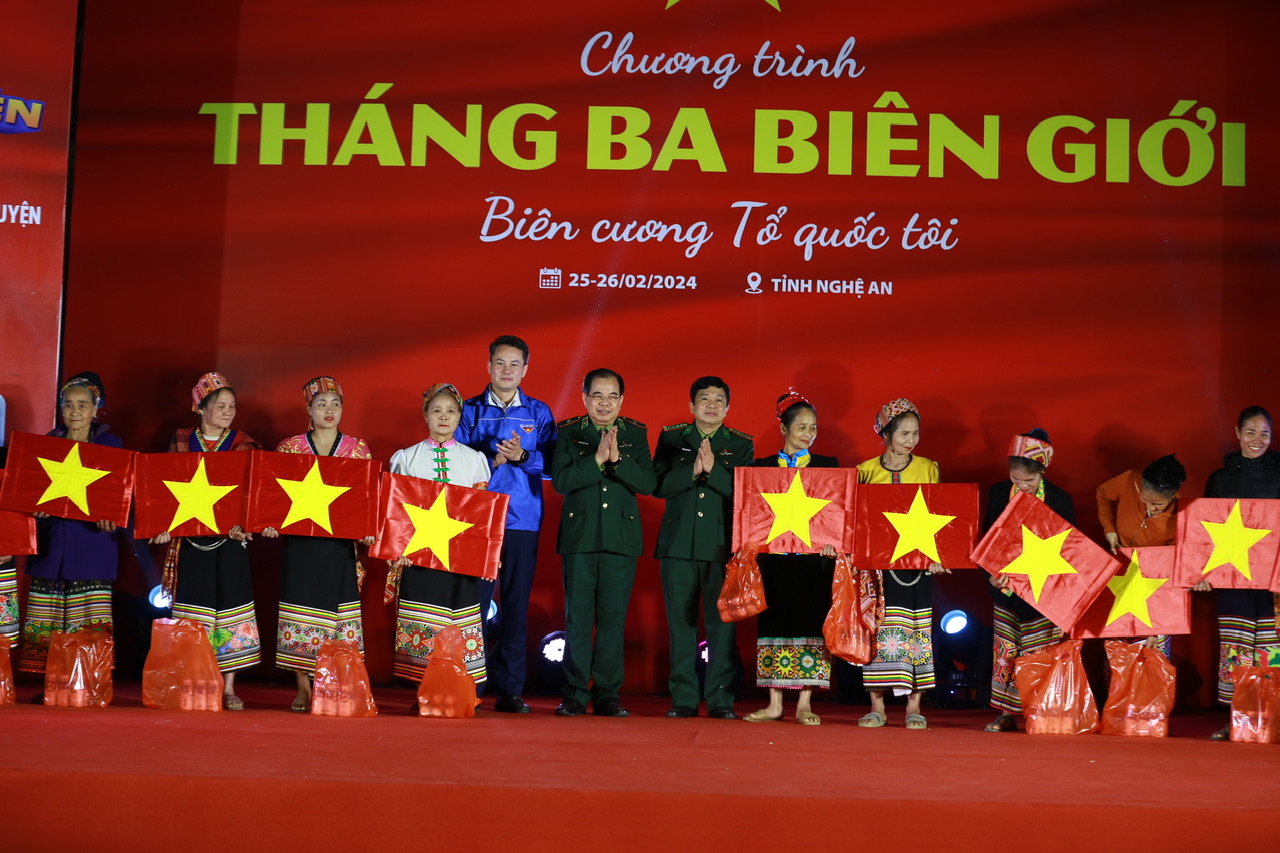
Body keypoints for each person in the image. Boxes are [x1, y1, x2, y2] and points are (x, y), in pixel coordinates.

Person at [457, 335, 557, 714]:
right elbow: (457, 462)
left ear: (525, 369)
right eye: (500, 363)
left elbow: (553, 468)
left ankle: (511, 689)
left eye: (515, 364)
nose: (506, 370)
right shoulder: (468, 411)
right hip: (477, 520)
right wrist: (492, 459)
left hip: (523, 519)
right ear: (488, 366)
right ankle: (469, 685)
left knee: (515, 605)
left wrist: (523, 456)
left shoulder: (538, 412)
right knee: (474, 606)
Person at [262, 376, 373, 712]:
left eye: (335, 403)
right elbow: (275, 495)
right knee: (301, 610)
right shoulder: (290, 448)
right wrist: (270, 523)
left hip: (340, 546)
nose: (329, 410)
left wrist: (367, 529)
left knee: (337, 615)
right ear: (308, 409)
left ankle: (336, 685)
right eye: (321, 404)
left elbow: (368, 498)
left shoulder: (357, 448)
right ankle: (302, 687)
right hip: (301, 545)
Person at [153, 372, 263, 710]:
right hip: (191, 541)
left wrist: (247, 524)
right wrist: (164, 526)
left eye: (232, 406)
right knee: (193, 609)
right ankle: (193, 682)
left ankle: (228, 688)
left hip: (230, 541)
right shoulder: (181, 440)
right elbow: (164, 487)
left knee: (232, 610)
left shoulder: (244, 443)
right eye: (220, 405)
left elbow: (254, 491)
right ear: (200, 408)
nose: (228, 411)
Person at [551, 368, 655, 718]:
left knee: (612, 620)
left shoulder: (635, 434)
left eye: (612, 396)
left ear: (621, 400)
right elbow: (560, 481)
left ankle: (608, 693)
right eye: (597, 395)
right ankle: (575, 693)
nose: (605, 403)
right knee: (577, 620)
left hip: (621, 539)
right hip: (579, 537)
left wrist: (618, 461)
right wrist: (595, 461)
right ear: (585, 398)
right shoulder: (569, 432)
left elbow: (648, 484)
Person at [652, 376, 753, 720]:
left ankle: (721, 700)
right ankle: (683, 698)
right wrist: (693, 472)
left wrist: (713, 471)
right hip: (677, 545)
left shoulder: (740, 444)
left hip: (721, 546)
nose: (712, 405)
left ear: (727, 408)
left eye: (719, 400)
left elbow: (746, 494)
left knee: (721, 627)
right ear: (691, 405)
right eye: (705, 399)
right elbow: (657, 485)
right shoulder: (672, 438)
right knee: (681, 627)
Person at [388, 383, 492, 696]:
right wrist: (397, 549)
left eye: (450, 411)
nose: (443, 417)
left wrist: (488, 554)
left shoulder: (474, 460)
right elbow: (395, 511)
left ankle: (457, 692)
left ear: (460, 416)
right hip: (418, 555)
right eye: (436, 411)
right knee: (423, 618)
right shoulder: (406, 458)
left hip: (461, 558)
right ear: (425, 415)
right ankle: (423, 692)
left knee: (457, 619)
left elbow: (482, 515)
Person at [18, 372, 122, 676]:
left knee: (88, 616)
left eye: (82, 405)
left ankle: (88, 683)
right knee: (48, 616)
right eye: (68, 405)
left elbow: (122, 496)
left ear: (95, 408)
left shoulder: (111, 446)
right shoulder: (47, 445)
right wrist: (35, 510)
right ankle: (52, 681)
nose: (75, 411)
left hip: (93, 544)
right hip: (52, 545)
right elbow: (30, 493)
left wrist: (113, 519)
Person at [742, 390, 837, 726]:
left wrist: (833, 542)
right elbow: (751, 513)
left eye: (813, 427)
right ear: (784, 428)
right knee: (774, 625)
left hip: (814, 561)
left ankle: (804, 704)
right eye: (801, 427)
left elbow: (837, 514)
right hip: (775, 559)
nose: (809, 433)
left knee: (811, 625)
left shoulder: (828, 466)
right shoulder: (762, 468)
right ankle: (774, 704)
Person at [855, 397, 948, 729]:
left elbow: (941, 515)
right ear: (886, 434)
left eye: (915, 433)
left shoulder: (928, 468)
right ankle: (877, 707)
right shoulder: (865, 471)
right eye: (904, 433)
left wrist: (939, 558)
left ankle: (913, 707)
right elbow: (857, 520)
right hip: (879, 567)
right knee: (879, 632)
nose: (911, 440)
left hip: (918, 565)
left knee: (917, 632)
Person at [981, 430, 1074, 732]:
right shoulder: (998, 494)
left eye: (1029, 481)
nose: (1021, 486)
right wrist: (991, 575)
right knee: (1006, 651)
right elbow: (985, 541)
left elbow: (1071, 552)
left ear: (1042, 472)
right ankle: (1005, 714)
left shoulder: (1060, 501)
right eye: (1015, 478)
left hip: (1043, 593)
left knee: (1039, 653)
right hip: (1005, 589)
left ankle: (1039, 713)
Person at [1202, 405, 1280, 740]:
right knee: (1237, 645)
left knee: (1271, 646)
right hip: (1233, 575)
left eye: (1264, 434)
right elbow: (1204, 530)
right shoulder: (1220, 478)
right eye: (1250, 432)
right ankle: (1238, 720)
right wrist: (1201, 572)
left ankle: (1273, 720)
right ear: (1237, 434)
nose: (1257, 440)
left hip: (1273, 576)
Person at [1095, 453, 1187, 657]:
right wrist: (1110, 530)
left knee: (1151, 655)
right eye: (1144, 500)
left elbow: (1168, 577)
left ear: (1172, 497)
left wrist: (1155, 628)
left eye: (1158, 505)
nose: (1149, 508)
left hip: (1153, 589)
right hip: (1119, 579)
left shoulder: (1180, 517)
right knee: (1117, 652)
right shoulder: (1130, 480)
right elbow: (1102, 493)